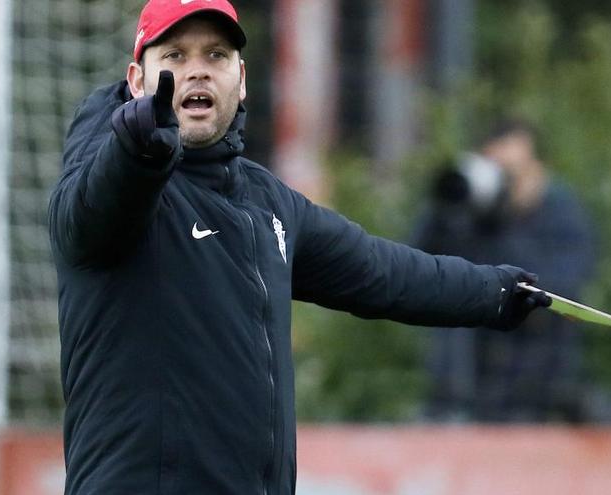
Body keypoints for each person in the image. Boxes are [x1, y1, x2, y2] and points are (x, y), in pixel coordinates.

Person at [48, 1, 551, 493]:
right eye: (175, 56)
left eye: (215, 56)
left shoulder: (265, 201)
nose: (197, 71)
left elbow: (383, 271)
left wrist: (497, 291)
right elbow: (94, 214)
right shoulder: (119, 179)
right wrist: (134, 153)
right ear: (137, 81)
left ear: (241, 80)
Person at [412, 120, 599, 423]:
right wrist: (451, 201)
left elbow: (563, 286)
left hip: (536, 387)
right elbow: (418, 257)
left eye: (511, 174)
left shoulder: (560, 210)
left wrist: (508, 220)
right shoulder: (469, 214)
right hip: (467, 384)